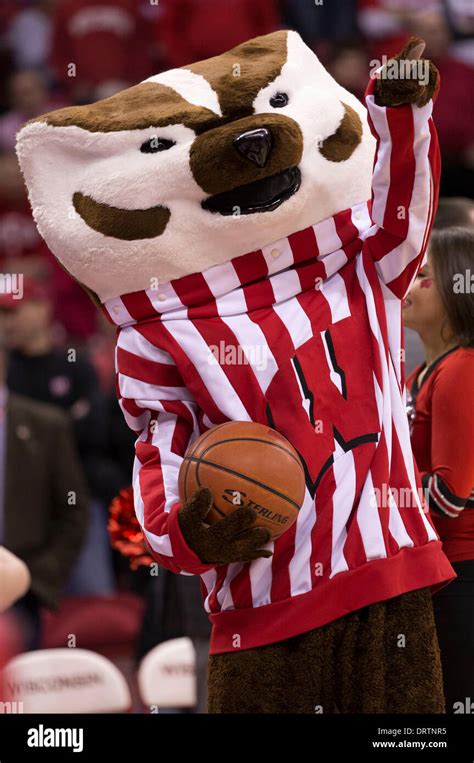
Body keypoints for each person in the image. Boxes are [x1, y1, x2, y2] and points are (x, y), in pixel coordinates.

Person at [403, 226, 474, 712]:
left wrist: (375, 502)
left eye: (423, 275)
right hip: (434, 571)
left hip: (463, 573)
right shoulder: (419, 375)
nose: (407, 283)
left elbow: (450, 493)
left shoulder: (462, 370)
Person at [0, 311, 88, 649]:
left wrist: (35, 580)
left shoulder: (46, 425)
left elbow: (74, 510)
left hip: (22, 589)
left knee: (20, 694)